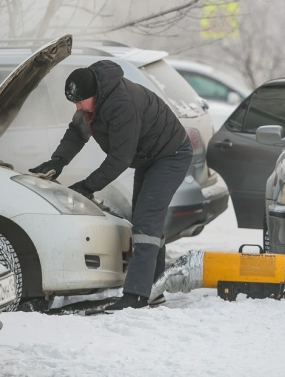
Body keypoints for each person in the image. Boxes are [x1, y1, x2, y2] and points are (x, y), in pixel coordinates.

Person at [30, 60, 192, 311]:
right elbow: (76, 133)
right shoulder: (92, 99)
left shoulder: (121, 104)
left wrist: (87, 185)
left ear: (95, 94)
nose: (77, 107)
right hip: (148, 156)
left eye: (80, 102)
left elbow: (120, 158)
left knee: (146, 222)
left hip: (170, 154)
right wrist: (57, 161)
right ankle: (153, 290)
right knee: (146, 222)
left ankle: (137, 295)